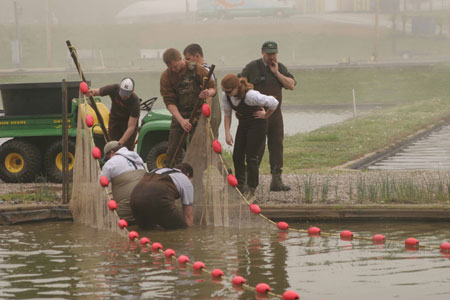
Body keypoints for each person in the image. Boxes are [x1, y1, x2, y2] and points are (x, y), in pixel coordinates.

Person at [240, 41, 296, 191]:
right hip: (258, 116)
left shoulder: (280, 67)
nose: (272, 56)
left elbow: (291, 85)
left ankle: (276, 181)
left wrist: (277, 73)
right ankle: (249, 182)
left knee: (277, 146)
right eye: (269, 53)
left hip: (275, 115)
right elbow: (239, 85)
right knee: (256, 148)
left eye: (274, 53)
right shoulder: (252, 67)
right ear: (262, 53)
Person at [221, 74, 278, 199]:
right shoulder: (226, 96)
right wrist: (227, 132)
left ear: (236, 87)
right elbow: (227, 114)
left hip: (257, 124)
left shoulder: (251, 96)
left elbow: (274, 102)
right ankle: (240, 186)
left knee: (251, 156)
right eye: (224, 91)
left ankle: (252, 189)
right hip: (243, 123)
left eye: (229, 91)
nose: (226, 93)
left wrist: (266, 115)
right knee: (237, 155)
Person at [160, 48, 217, 167]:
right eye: (171, 68)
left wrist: (208, 92)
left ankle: (196, 180)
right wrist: (181, 121)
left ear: (181, 59)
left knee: (196, 151)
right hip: (179, 115)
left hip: (197, 114)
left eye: (175, 66)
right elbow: (169, 102)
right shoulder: (166, 77)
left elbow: (213, 88)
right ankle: (172, 178)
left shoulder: (197, 69)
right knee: (172, 152)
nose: (174, 70)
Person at [130, 162, 194, 229]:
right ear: (187, 174)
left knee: (148, 230)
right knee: (181, 229)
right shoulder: (185, 179)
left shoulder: (157, 170)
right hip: (158, 200)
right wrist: (189, 233)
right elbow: (188, 215)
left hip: (135, 200)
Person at [88, 77, 140, 151]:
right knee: (112, 148)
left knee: (127, 149)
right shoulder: (114, 88)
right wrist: (91, 92)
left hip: (127, 124)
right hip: (115, 121)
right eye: (122, 93)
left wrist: (119, 144)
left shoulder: (135, 102)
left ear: (132, 91)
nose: (124, 96)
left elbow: (131, 127)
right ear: (120, 89)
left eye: (126, 94)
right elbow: (98, 91)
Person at [183, 43, 222, 139]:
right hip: (209, 115)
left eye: (188, 59)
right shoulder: (203, 71)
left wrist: (206, 119)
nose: (186, 62)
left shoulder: (204, 71)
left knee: (207, 147)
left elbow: (208, 96)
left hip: (208, 116)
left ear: (197, 56)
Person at [102, 140, 146, 223]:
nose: (107, 159)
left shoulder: (110, 164)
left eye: (107, 157)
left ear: (112, 153)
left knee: (109, 221)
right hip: (148, 204)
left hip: (128, 209)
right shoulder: (136, 157)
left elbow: (102, 187)